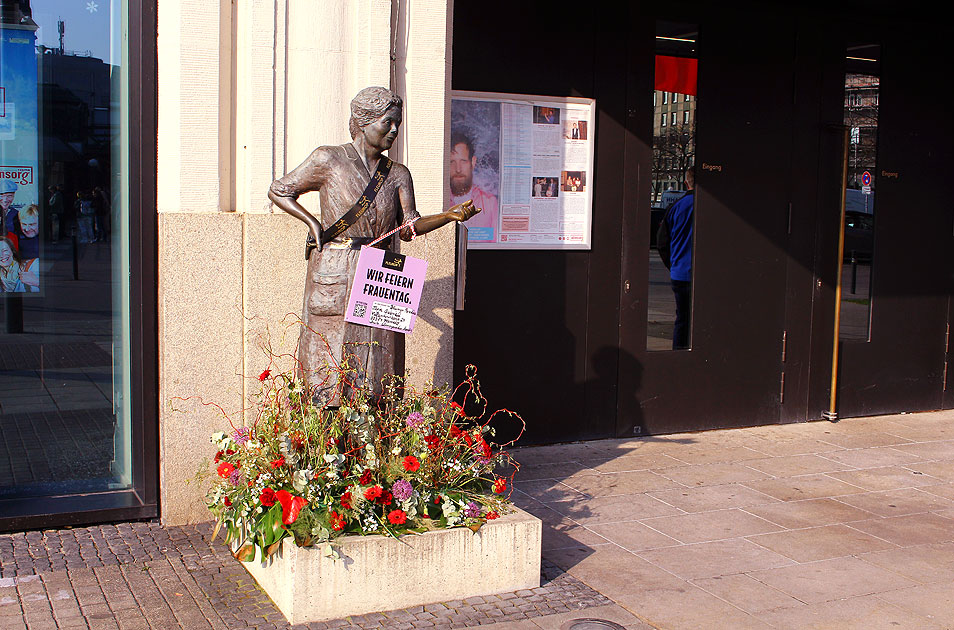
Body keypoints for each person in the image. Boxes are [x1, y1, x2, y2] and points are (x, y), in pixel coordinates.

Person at [268, 86, 479, 406]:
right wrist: (313, 224)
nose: (394, 130)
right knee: (327, 358)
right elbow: (280, 190)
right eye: (387, 122)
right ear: (364, 122)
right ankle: (323, 444)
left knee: (379, 361)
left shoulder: (398, 175)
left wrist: (448, 216)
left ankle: (376, 440)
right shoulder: (328, 159)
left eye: (398, 123)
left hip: (381, 271)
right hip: (336, 268)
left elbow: (409, 228)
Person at [447, 132, 498, 240]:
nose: (458, 169)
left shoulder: (490, 203)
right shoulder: (441, 203)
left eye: (463, 161)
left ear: (473, 162)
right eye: (452, 162)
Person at [667, 169, 695, 350]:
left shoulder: (677, 206)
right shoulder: (712, 206)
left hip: (680, 273)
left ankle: (678, 354)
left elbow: (663, 240)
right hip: (701, 273)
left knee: (682, 319)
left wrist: (673, 264)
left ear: (686, 183)